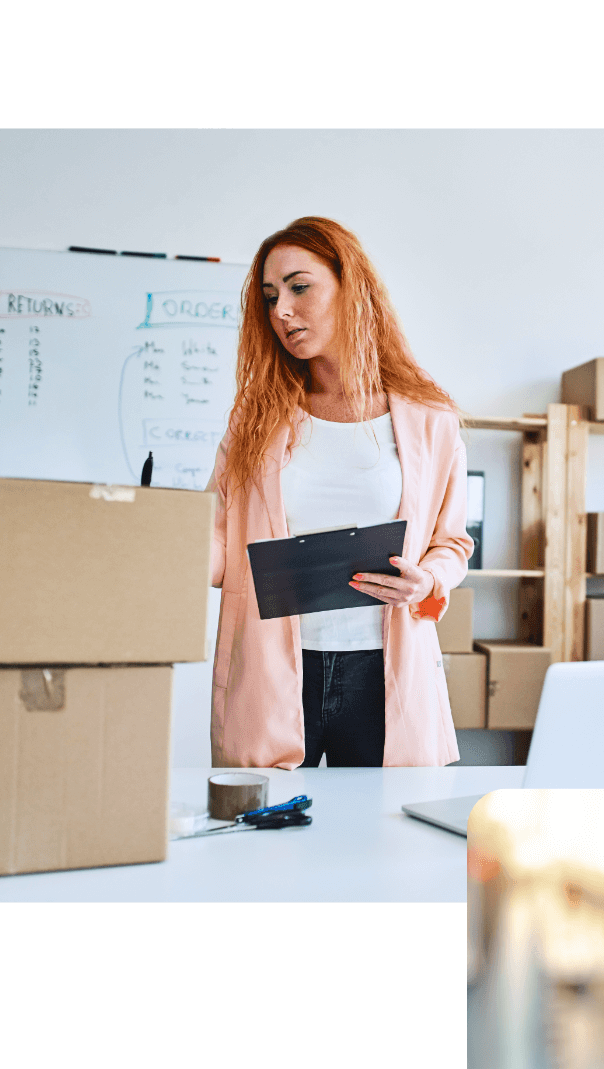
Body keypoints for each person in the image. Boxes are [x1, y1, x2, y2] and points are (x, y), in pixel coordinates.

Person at [206, 217, 474, 769]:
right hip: (277, 668)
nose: (281, 310)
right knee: (267, 842)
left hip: (383, 670)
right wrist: (147, 538)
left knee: (388, 839)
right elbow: (216, 538)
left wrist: (429, 579)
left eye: (299, 287)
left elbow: (452, 544)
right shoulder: (254, 423)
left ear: (352, 288)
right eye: (270, 296)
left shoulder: (430, 420)